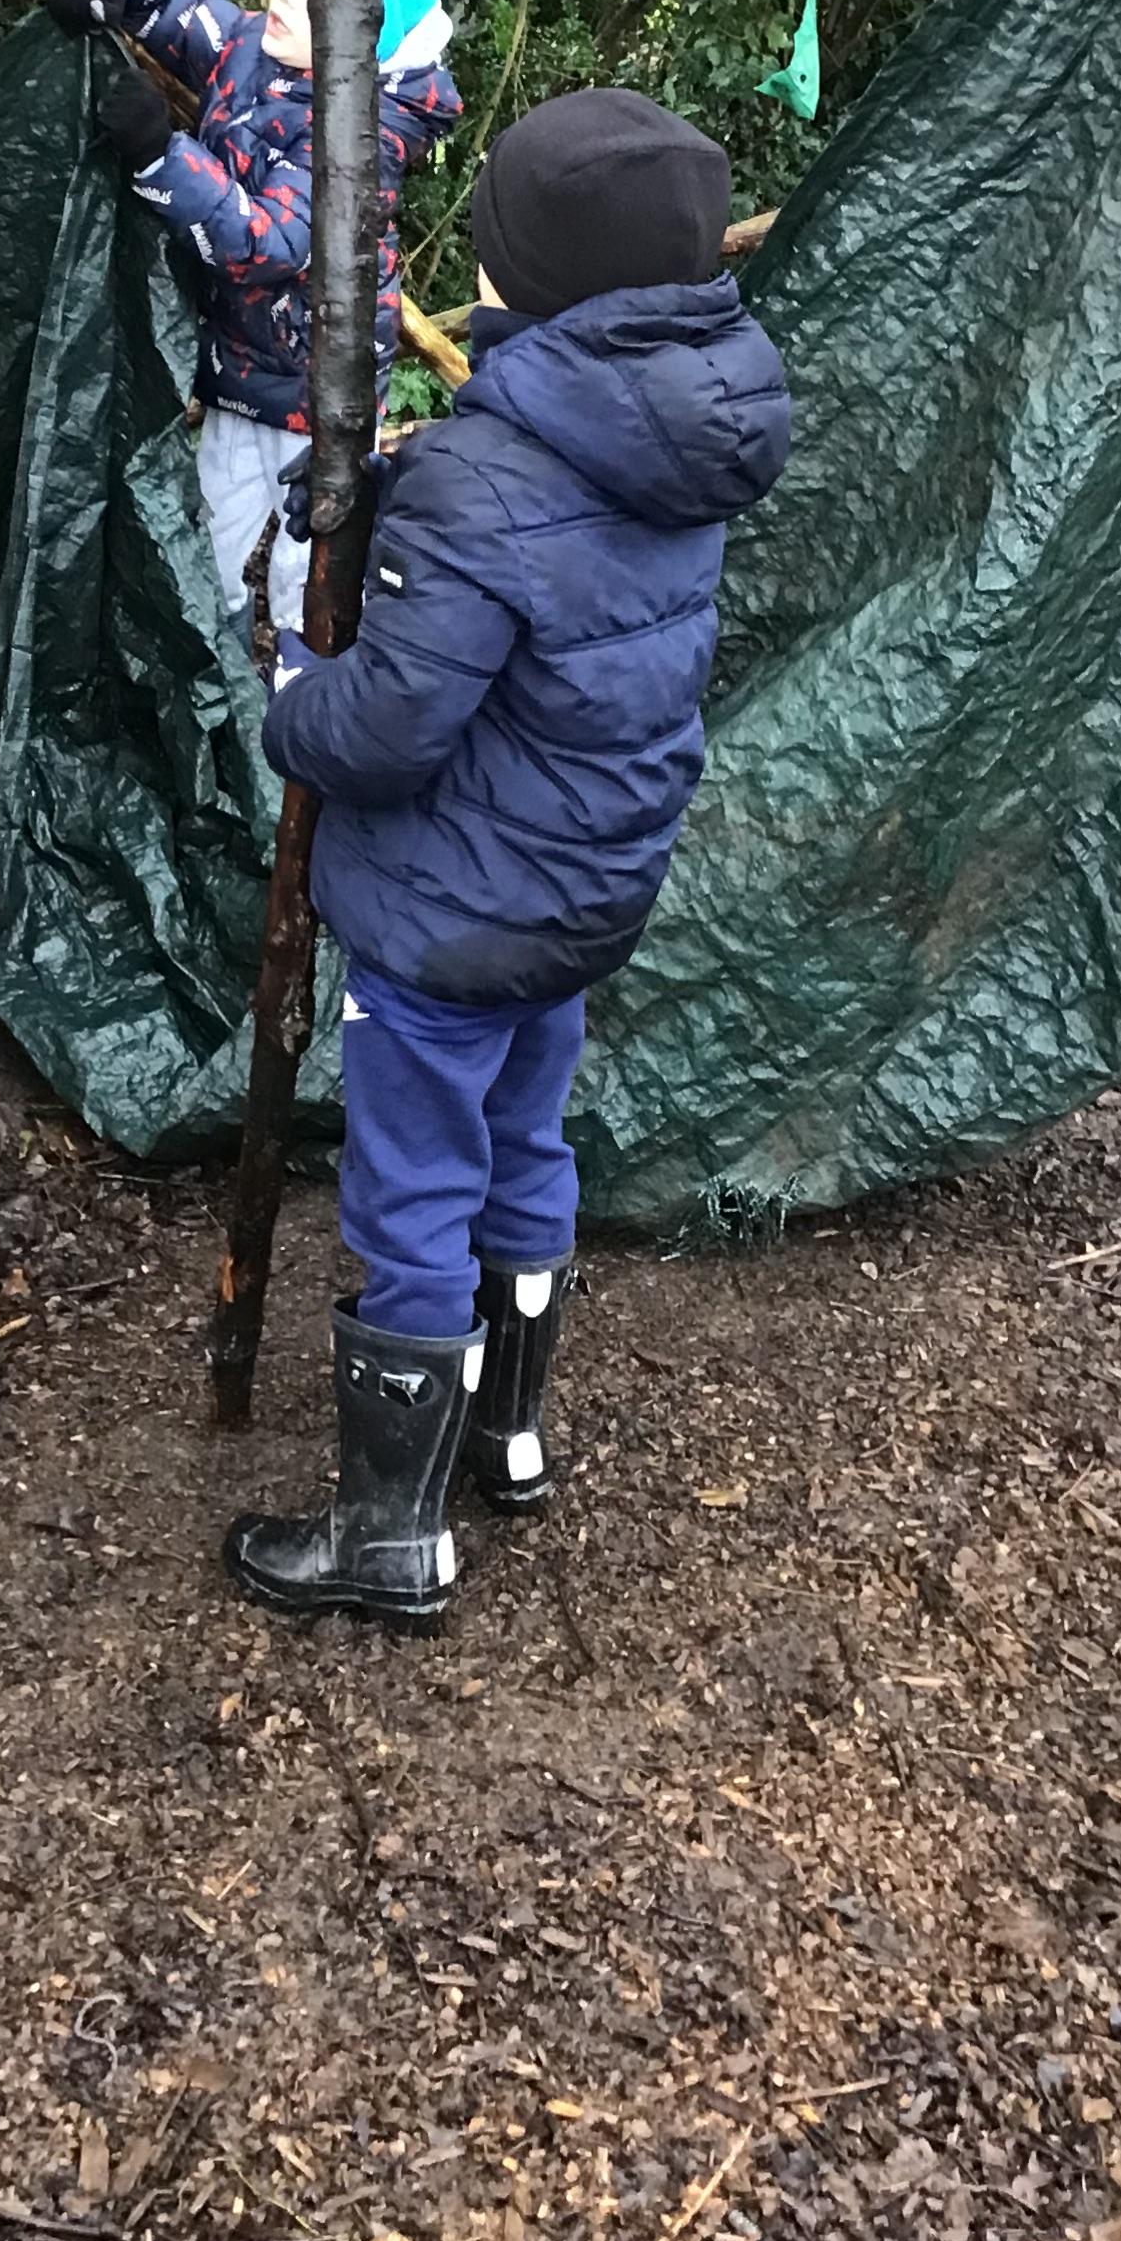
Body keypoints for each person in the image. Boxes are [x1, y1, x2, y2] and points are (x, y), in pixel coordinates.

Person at [223, 88, 793, 1631]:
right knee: (526, 1138)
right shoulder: (682, 428)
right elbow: (560, 580)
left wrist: (293, 694)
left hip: (454, 914)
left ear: (528, 271)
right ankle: (509, 1434)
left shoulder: (490, 473)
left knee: (414, 1181)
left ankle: (390, 1537)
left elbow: (391, 725)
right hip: (590, 886)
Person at [38, 0, 459, 642]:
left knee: (311, 574)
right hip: (240, 371)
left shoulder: (365, 135)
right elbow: (183, 2)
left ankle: (303, 687)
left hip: (325, 401)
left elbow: (269, 243)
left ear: (368, 34)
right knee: (209, 545)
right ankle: (221, 677)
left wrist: (158, 155)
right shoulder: (252, 49)